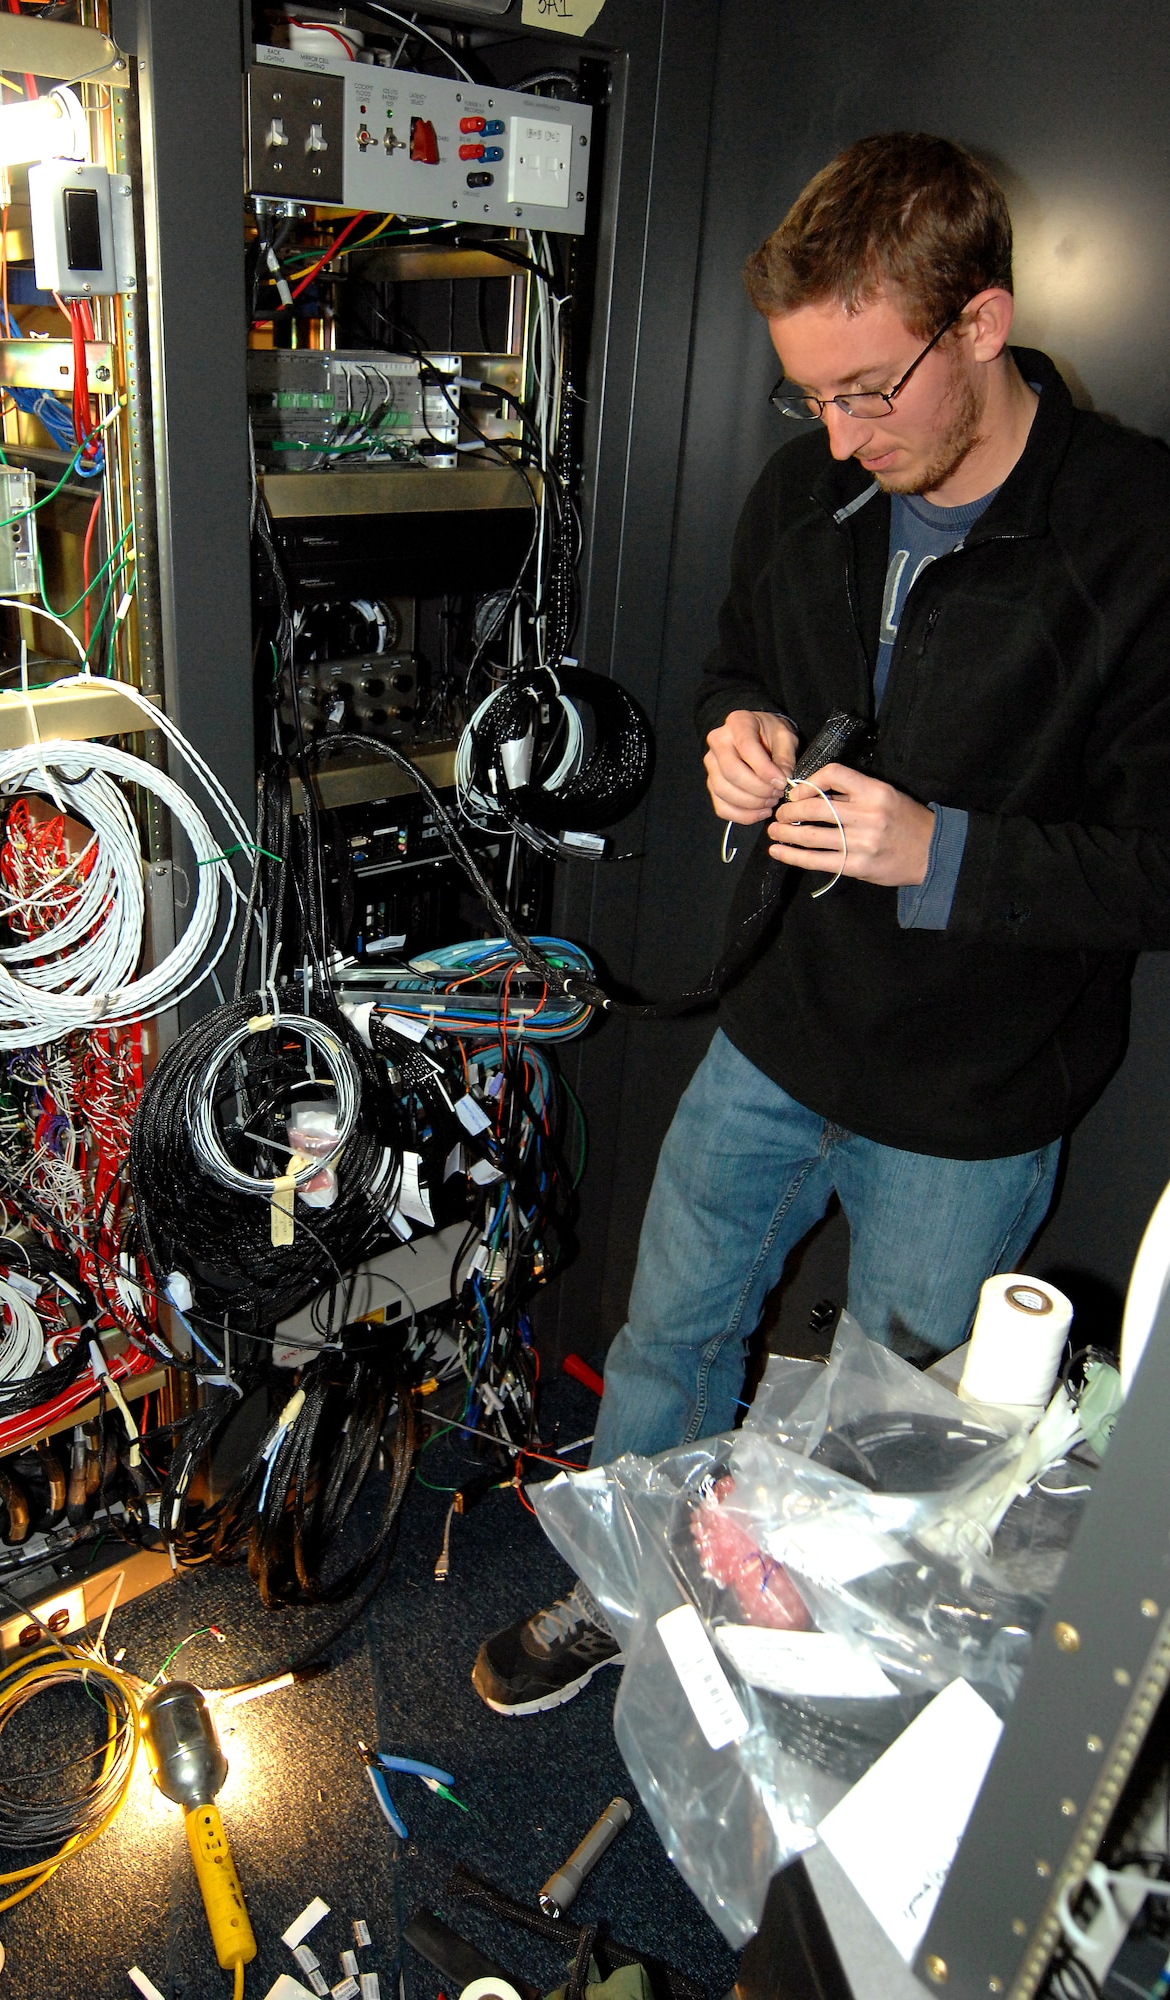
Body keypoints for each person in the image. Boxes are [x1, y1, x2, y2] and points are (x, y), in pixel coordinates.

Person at [472, 130, 1170, 1716]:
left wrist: (942, 851)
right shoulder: (808, 486)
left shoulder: (1140, 535)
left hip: (974, 1095)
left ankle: (799, 1700)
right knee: (668, 1335)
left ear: (980, 324)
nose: (842, 443)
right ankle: (623, 1591)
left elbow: (1158, 864)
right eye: (814, 397)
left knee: (891, 1440)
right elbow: (737, 665)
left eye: (871, 392)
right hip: (779, 1026)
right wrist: (733, 738)